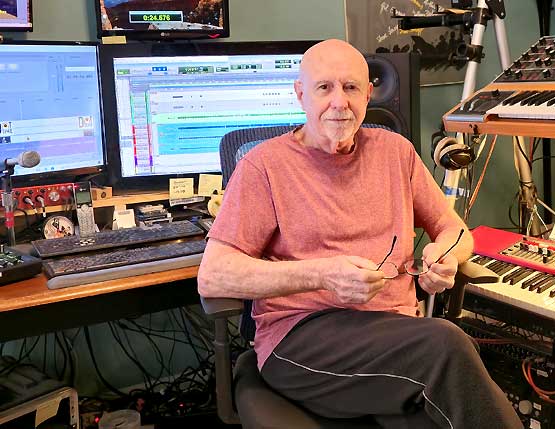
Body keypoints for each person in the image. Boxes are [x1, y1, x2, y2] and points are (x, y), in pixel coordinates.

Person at [198, 39, 521, 429]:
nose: (340, 102)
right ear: (300, 94)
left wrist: (446, 254)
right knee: (447, 346)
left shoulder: (395, 152)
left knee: (439, 403)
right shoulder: (264, 166)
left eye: (350, 87)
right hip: (303, 338)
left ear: (368, 93)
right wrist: (321, 275)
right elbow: (214, 275)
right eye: (324, 88)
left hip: (396, 336)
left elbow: (455, 230)